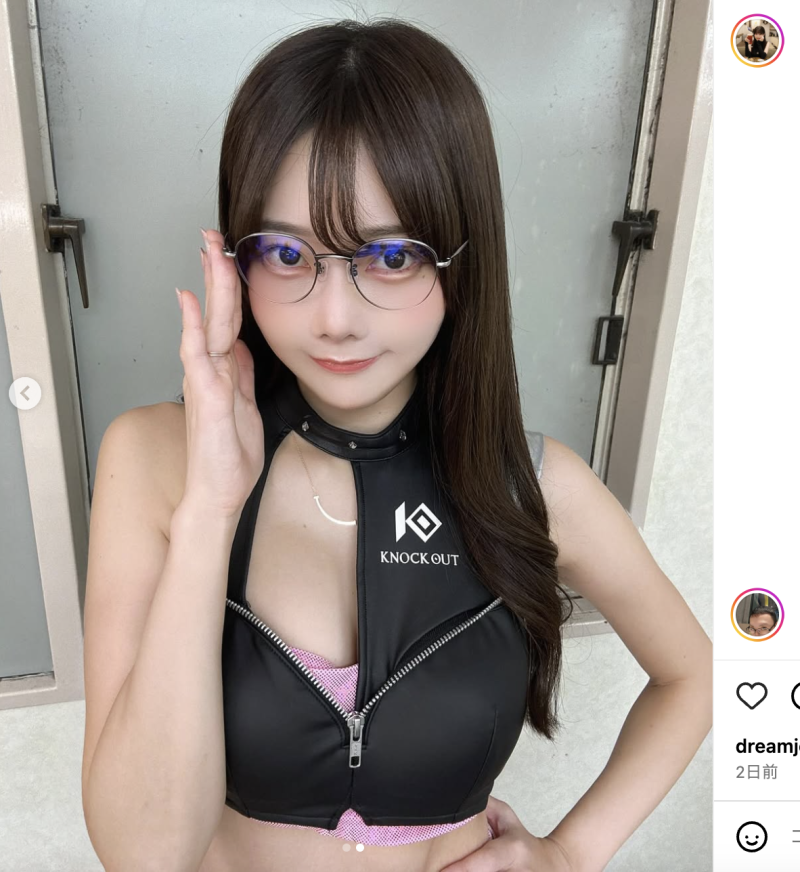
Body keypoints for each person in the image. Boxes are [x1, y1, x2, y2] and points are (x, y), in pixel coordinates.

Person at [81, 17, 712, 872]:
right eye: (286, 252)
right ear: (234, 257)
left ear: (460, 258)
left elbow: (695, 676)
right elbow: (143, 855)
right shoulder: (153, 462)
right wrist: (212, 506)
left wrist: (569, 854)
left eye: (390, 256)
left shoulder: (531, 484)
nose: (335, 318)